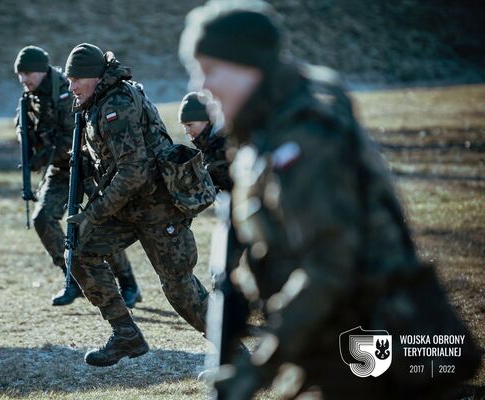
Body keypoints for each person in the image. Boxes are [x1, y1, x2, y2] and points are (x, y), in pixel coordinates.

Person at [179, 1, 480, 399]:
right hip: (336, 348)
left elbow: (329, 269)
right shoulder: (266, 129)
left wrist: (261, 365)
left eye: (210, 68)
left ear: (248, 65)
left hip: (370, 348)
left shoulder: (305, 138)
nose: (202, 86)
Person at [63, 43, 210, 366]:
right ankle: (126, 334)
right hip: (128, 206)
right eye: (68, 78)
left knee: (179, 288)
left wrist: (93, 213)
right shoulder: (93, 103)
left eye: (77, 79)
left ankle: (233, 352)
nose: (71, 86)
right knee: (80, 251)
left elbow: (134, 172)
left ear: (97, 78)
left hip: (158, 207)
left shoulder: (117, 104)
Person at [14, 45, 142, 308]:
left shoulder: (66, 91)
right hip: (61, 168)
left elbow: (71, 137)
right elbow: (28, 130)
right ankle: (72, 279)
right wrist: (25, 137)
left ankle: (128, 285)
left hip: (88, 164)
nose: (24, 79)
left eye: (28, 73)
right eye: (20, 74)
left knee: (98, 223)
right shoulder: (30, 98)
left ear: (42, 70)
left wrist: (43, 156)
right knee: (43, 218)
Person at [178, 91, 232, 192]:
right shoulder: (206, 145)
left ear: (208, 120)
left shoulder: (226, 145)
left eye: (189, 125)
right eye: (183, 125)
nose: (186, 131)